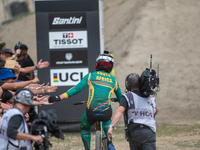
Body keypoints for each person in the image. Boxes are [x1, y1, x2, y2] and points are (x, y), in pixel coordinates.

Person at [49, 52, 122, 150]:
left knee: (84, 128)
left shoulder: (90, 76)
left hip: (91, 113)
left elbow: (76, 89)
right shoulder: (114, 81)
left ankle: (87, 148)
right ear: (111, 67)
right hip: (106, 113)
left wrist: (59, 97)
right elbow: (122, 99)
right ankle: (110, 143)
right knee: (107, 118)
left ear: (97, 64)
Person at [107, 73, 158, 150]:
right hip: (149, 132)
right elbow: (155, 111)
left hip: (134, 133)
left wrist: (111, 126)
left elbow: (120, 111)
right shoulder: (150, 97)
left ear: (128, 86)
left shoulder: (127, 97)